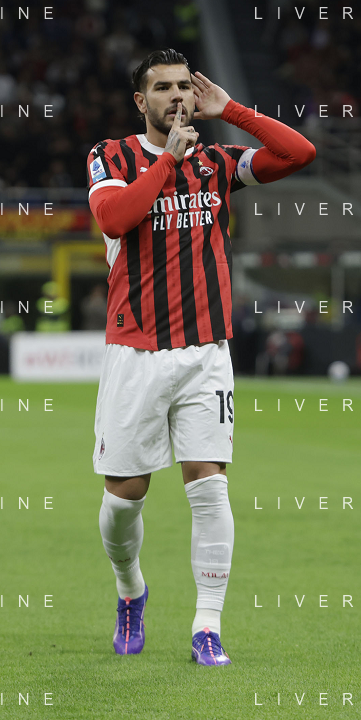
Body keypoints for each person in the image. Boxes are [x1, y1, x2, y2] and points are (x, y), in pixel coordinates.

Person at [86, 48, 314, 666]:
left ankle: (207, 627)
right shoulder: (112, 156)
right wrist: (167, 159)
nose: (177, 96)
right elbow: (115, 218)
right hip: (135, 352)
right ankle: (130, 590)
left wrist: (232, 110)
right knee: (123, 499)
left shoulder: (217, 164)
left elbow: (299, 154)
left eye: (184, 86)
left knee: (209, 488)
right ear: (142, 101)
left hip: (206, 351)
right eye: (163, 88)